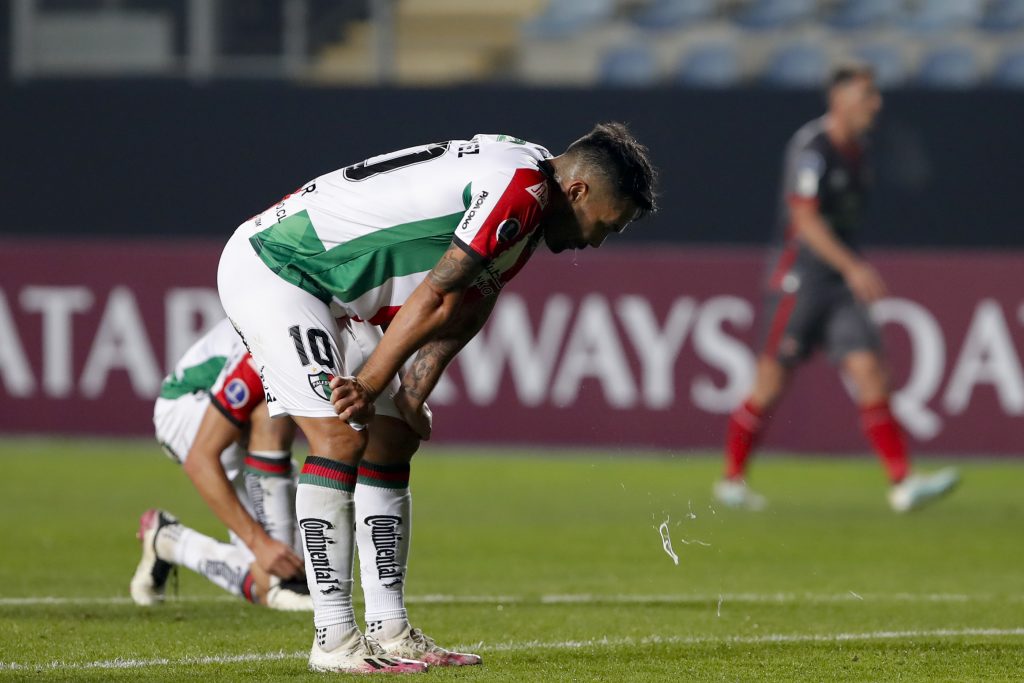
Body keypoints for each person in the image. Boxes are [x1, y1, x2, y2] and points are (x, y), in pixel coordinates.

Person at [218, 125, 657, 673]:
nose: (596, 241)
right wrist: (374, 382)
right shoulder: (519, 191)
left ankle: (390, 629)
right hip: (281, 267)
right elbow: (439, 291)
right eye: (605, 226)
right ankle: (333, 637)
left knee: (393, 439)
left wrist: (411, 392)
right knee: (338, 433)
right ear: (579, 192)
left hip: (339, 292)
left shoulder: (531, 197)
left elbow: (467, 305)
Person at [713, 63, 958, 513]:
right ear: (840, 101)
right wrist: (854, 267)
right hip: (800, 280)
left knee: (871, 372)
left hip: (839, 283)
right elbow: (804, 221)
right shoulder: (813, 148)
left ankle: (902, 482)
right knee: (769, 383)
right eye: (867, 96)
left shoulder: (860, 150)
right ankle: (732, 480)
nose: (876, 104)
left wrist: (847, 270)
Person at [131, 318, 311, 610]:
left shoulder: (326, 325)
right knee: (271, 411)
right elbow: (200, 459)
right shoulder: (271, 338)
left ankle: (171, 540)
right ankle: (282, 583)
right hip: (186, 407)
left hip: (228, 418)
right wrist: (260, 545)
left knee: (290, 573)